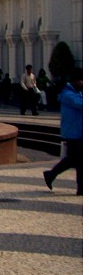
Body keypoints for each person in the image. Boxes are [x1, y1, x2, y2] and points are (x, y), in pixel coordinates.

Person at [43, 67, 82, 195]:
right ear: (76, 81)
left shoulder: (78, 93)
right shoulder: (68, 94)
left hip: (79, 132)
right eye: (82, 80)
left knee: (76, 160)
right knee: (76, 160)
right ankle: (51, 175)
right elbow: (81, 104)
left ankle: (51, 175)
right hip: (73, 133)